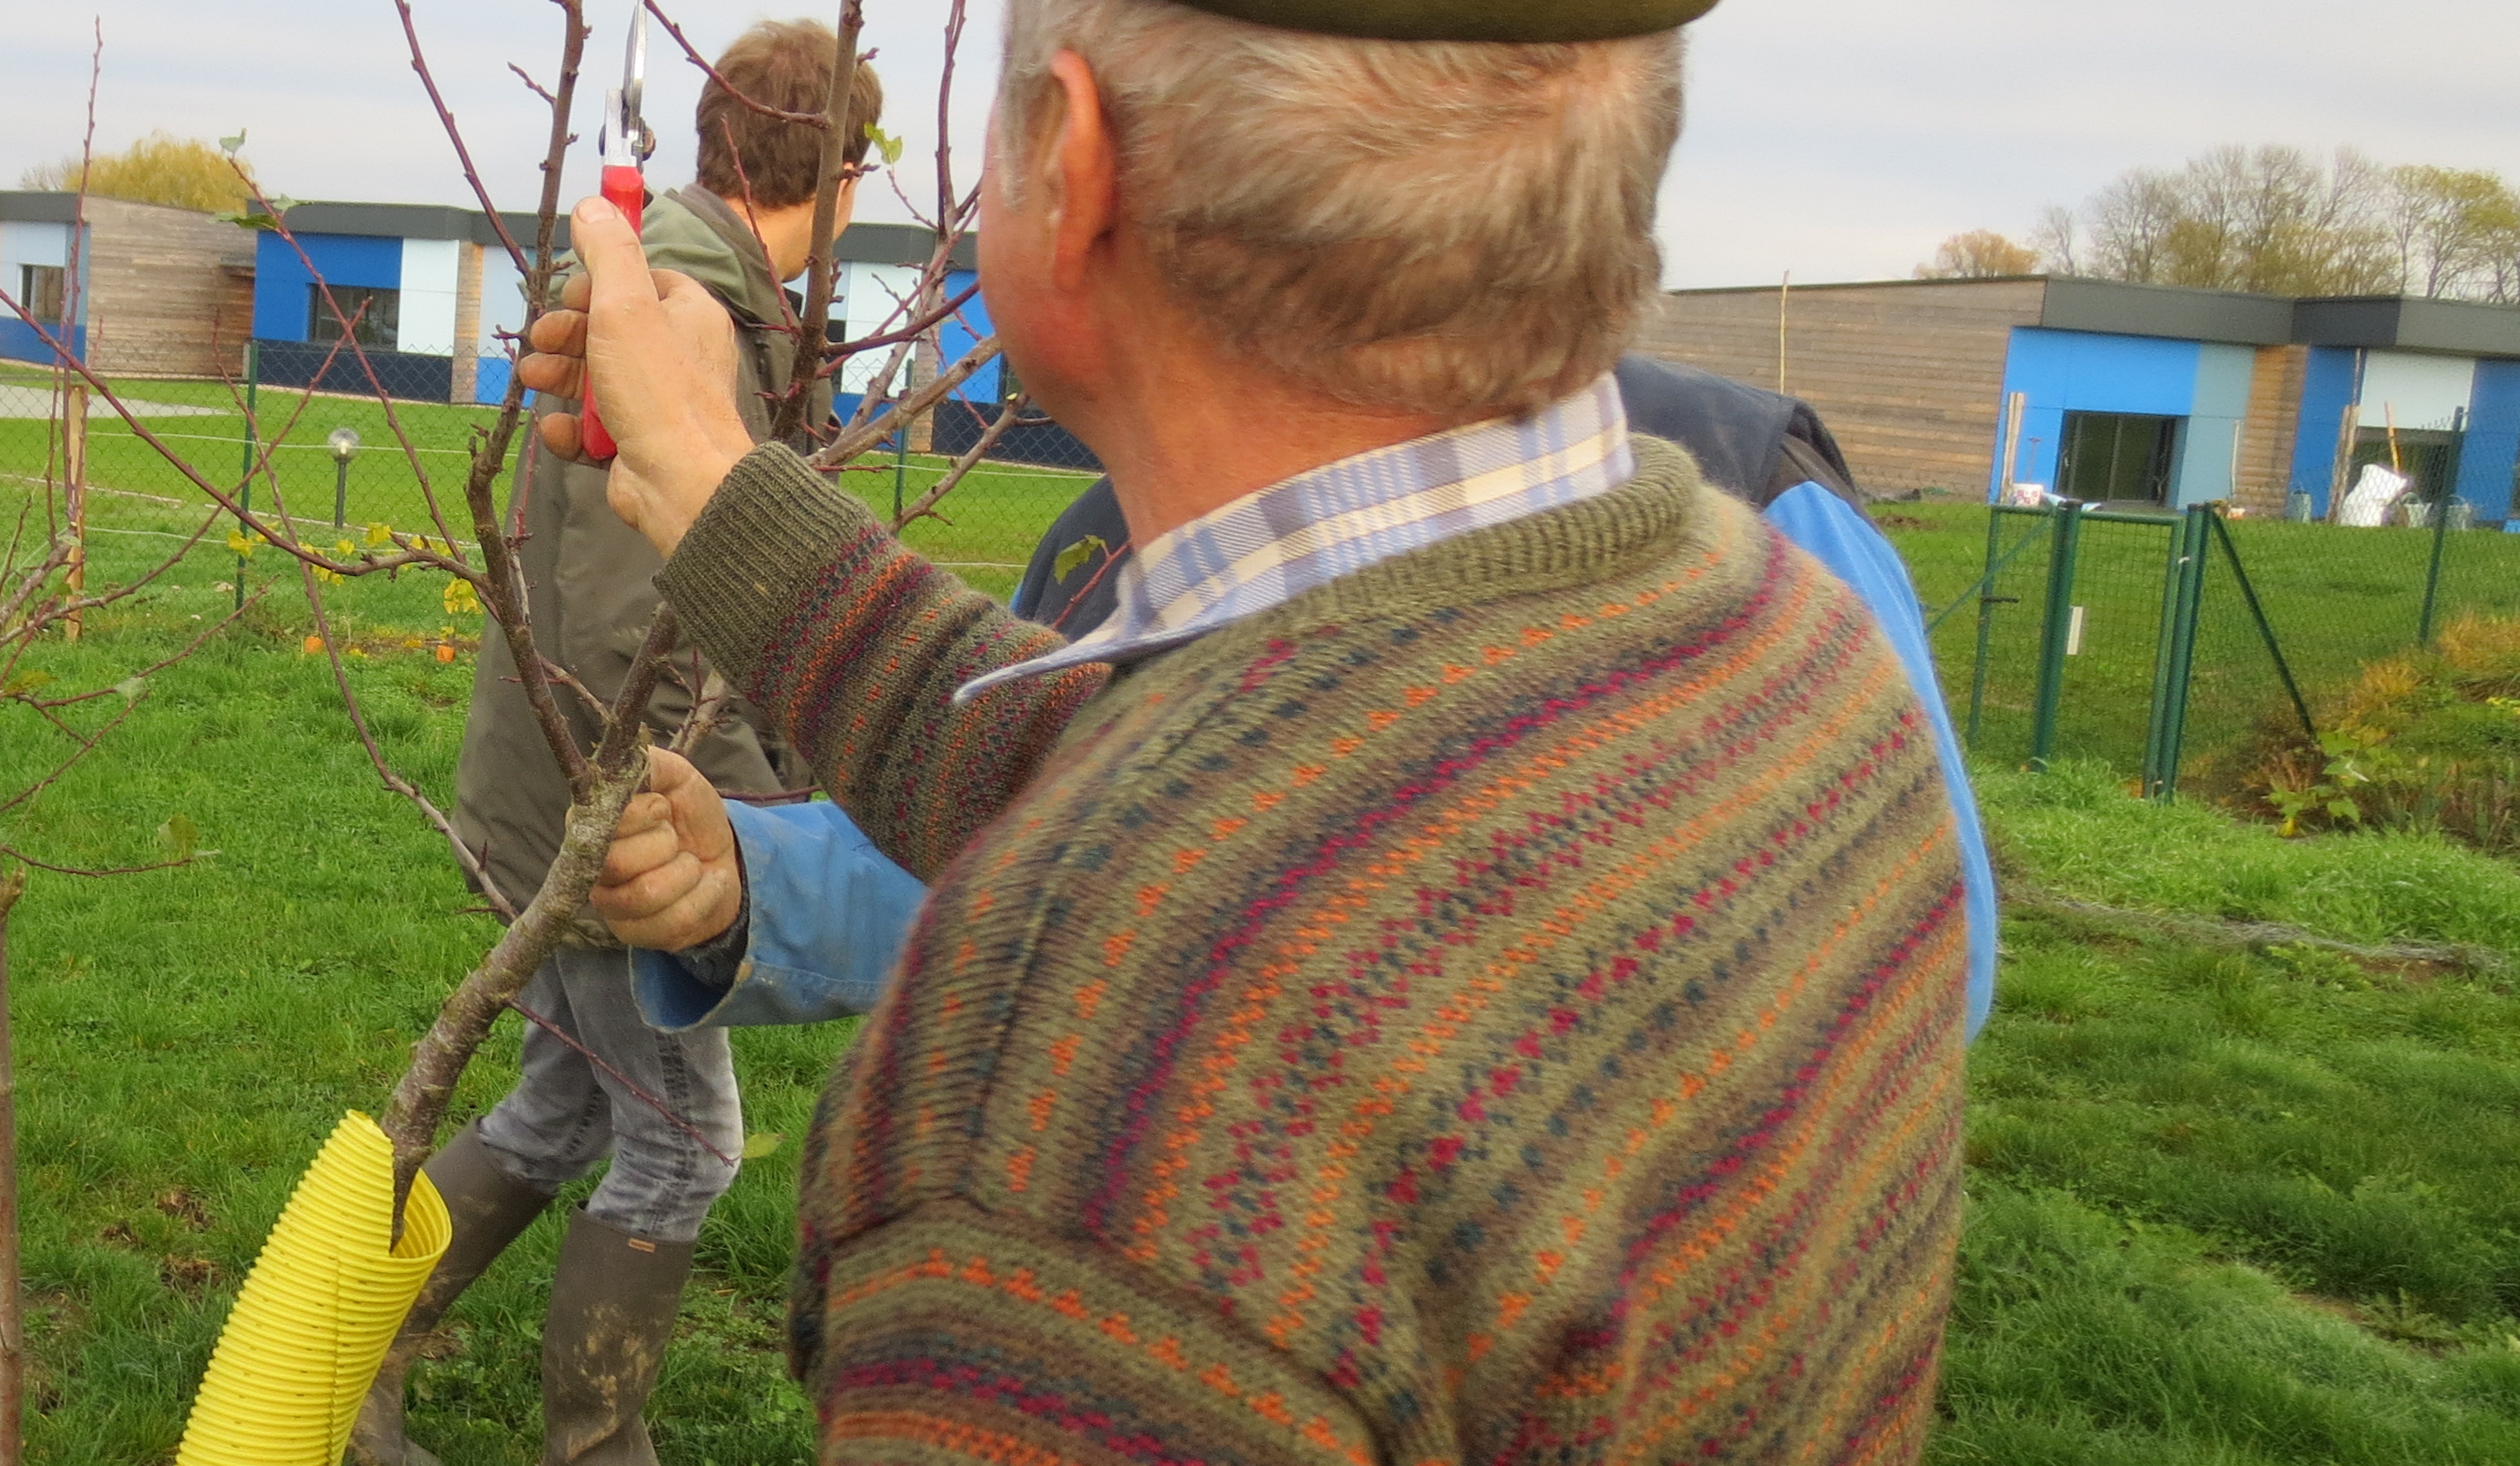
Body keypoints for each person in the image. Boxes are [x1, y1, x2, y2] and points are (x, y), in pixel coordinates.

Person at [517, 0, 1972, 1466]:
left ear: (1069, 175)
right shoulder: (1768, 636)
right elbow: (1187, 771)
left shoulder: (1116, 1096)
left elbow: (1196, 877)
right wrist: (712, 480)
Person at [600, 357, 2001, 1047]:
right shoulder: (1121, 528)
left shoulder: (1742, 479)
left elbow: (1921, 950)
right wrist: (754, 880)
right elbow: (1068, 827)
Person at [349, 19, 881, 1466]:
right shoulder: (679, 308)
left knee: (563, 1107)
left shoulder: (704, 298)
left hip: (570, 798)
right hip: (605, 817)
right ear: (835, 173)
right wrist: (744, 831)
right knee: (687, 1139)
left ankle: (356, 1353)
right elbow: (624, 631)